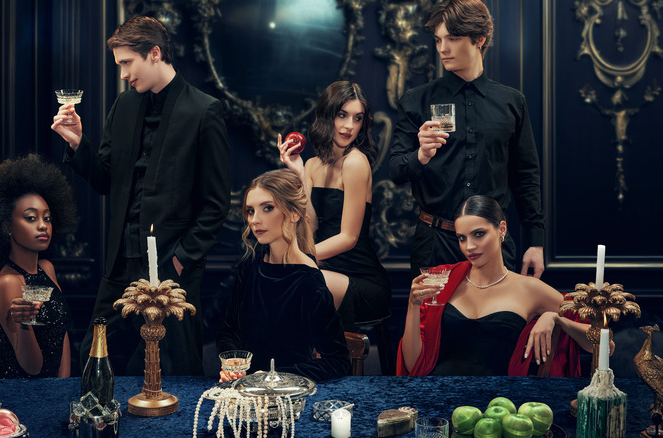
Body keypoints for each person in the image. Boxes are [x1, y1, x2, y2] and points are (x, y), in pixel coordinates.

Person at [51, 16, 230, 376]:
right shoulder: (124, 106)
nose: (122, 74)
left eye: (127, 63)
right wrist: (78, 143)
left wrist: (181, 259)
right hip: (121, 263)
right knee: (96, 358)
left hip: (172, 268)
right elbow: (104, 180)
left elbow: (215, 203)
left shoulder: (204, 110)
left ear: (154, 53)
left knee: (175, 369)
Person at [389, 0, 545, 278]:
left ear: (479, 39)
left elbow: (526, 176)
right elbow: (396, 171)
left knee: (499, 309)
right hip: (435, 243)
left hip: (494, 245)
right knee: (434, 310)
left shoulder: (512, 102)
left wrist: (536, 242)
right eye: (438, 40)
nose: (442, 48)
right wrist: (421, 155)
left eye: (452, 38)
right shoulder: (416, 100)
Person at [396, 195, 594, 376]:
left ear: (502, 229)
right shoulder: (442, 280)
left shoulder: (530, 289)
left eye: (479, 234)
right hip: (438, 395)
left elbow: (601, 344)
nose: (469, 246)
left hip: (497, 401)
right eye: (462, 238)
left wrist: (556, 319)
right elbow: (413, 365)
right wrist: (413, 305)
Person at [216, 169, 350, 382]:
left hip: (288, 393)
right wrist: (232, 364)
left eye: (267, 208)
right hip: (243, 387)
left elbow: (338, 362)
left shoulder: (308, 280)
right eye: (250, 211)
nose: (254, 220)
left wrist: (273, 377)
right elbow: (229, 331)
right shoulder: (250, 265)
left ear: (295, 213)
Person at [279, 81, 391, 330]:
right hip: (324, 270)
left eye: (357, 118)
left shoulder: (355, 162)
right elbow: (311, 226)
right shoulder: (311, 165)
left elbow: (348, 238)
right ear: (327, 115)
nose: (350, 126)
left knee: (295, 281)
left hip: (360, 279)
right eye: (342, 115)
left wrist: (300, 257)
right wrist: (299, 173)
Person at [0, 154, 77, 379]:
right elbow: (32, 367)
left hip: (49, 390)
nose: (43, 226)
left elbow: (62, 332)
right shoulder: (7, 283)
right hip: (10, 391)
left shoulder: (47, 268)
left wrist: (63, 387)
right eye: (31, 218)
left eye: (47, 218)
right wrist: (24, 323)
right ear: (6, 226)